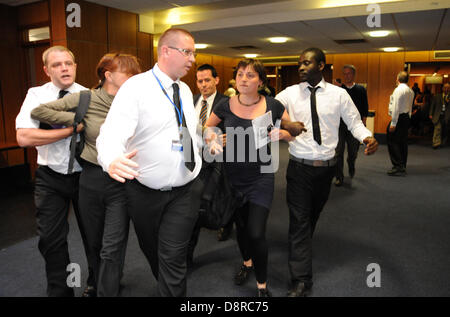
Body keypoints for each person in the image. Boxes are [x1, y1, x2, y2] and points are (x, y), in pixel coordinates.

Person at [96, 28, 201, 297]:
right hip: (144, 193)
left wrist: (203, 143)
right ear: (166, 51)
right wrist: (111, 159)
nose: (192, 58)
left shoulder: (186, 90)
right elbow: (111, 133)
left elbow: (187, 131)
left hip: (185, 189)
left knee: (174, 255)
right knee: (153, 250)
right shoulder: (136, 87)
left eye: (194, 53)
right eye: (187, 52)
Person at [30, 53, 142, 296]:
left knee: (112, 246)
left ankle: (105, 289)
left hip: (122, 180)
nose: (135, 77)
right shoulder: (86, 98)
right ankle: (102, 282)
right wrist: (75, 121)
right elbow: (40, 112)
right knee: (94, 242)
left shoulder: (136, 101)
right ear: (108, 75)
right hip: (91, 179)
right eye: (128, 72)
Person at [275, 47, 378, 297]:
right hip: (299, 168)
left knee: (310, 217)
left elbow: (354, 122)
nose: (301, 67)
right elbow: (268, 111)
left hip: (326, 171)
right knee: (299, 221)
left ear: (321, 66)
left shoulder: (339, 95)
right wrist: (286, 123)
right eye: (299, 63)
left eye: (307, 63)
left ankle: (300, 248)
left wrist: (367, 137)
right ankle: (301, 280)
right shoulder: (289, 93)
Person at [205, 58, 297, 297]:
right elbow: (207, 128)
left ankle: (262, 285)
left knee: (256, 232)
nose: (243, 79)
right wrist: (213, 139)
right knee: (242, 229)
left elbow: (294, 130)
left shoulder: (274, 105)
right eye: (240, 74)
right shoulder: (225, 105)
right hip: (232, 178)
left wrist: (284, 133)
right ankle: (247, 263)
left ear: (261, 81)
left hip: (260, 177)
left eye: (250, 75)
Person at [15, 46, 95, 297]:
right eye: (57, 64)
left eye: (68, 63)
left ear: (75, 66)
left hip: (86, 175)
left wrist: (47, 134)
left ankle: (97, 284)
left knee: (95, 237)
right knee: (51, 240)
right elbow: (25, 137)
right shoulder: (37, 95)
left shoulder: (88, 95)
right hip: (50, 177)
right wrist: (70, 130)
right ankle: (62, 291)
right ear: (46, 69)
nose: (64, 68)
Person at [187, 63, 229, 266]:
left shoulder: (227, 103)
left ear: (217, 80)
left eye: (207, 80)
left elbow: (236, 130)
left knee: (218, 200)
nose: (203, 85)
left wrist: (228, 138)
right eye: (200, 81)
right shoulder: (191, 102)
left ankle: (225, 222)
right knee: (193, 207)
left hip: (219, 163)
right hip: (194, 162)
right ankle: (187, 257)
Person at [334, 65, 369, 186]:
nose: (346, 76)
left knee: (353, 152)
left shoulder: (360, 89)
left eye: (349, 73)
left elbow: (365, 107)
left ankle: (351, 164)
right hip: (340, 126)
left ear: (353, 75)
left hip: (354, 126)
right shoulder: (339, 90)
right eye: (344, 74)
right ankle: (339, 177)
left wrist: (363, 124)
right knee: (338, 152)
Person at [387, 71, 415, 176]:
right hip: (406, 118)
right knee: (402, 142)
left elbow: (396, 107)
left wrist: (393, 123)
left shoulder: (398, 90)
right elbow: (411, 107)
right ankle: (402, 164)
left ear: (398, 79)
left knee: (392, 140)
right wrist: (409, 118)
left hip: (398, 118)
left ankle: (397, 165)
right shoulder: (411, 91)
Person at [429, 83, 450, 149]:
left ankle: (442, 143)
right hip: (438, 115)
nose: (446, 89)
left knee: (445, 130)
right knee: (437, 129)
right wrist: (430, 114)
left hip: (447, 116)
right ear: (442, 88)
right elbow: (432, 106)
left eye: (448, 88)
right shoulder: (437, 96)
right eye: (445, 87)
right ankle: (436, 143)